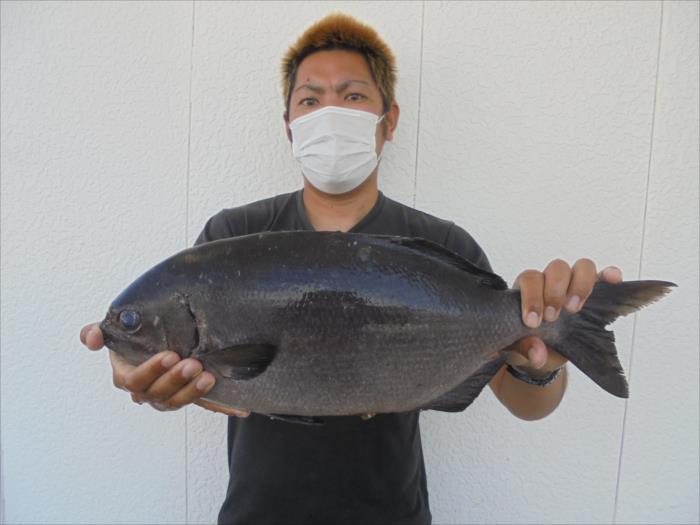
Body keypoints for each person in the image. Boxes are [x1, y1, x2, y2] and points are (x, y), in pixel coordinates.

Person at [80, 12, 623, 524]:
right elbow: (200, 379)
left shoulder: (442, 244)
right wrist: (138, 375)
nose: (328, 112)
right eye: (310, 99)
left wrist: (543, 358)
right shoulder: (230, 237)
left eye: (353, 95)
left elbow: (527, 401)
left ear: (389, 121)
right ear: (290, 124)